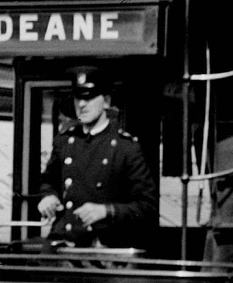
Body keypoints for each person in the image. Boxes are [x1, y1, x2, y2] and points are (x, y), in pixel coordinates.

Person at [38, 66, 157, 249]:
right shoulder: (64, 141)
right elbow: (48, 181)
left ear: (106, 101)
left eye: (90, 97)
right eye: (78, 97)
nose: (82, 104)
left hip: (104, 249)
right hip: (63, 244)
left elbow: (147, 207)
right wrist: (48, 197)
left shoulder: (125, 147)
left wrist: (106, 211)